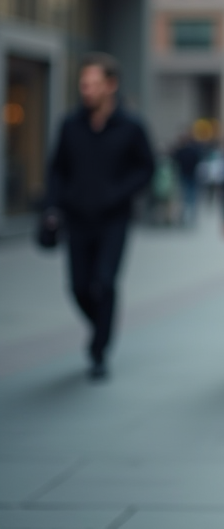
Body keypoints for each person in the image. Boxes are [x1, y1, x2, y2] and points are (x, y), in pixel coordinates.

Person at [45, 53, 155, 380]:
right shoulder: (70, 124)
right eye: (83, 84)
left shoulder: (131, 126)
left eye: (93, 84)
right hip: (77, 218)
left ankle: (99, 350)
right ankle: (101, 326)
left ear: (111, 85)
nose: (87, 90)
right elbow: (57, 169)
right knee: (78, 287)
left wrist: (118, 193)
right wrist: (54, 205)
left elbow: (146, 169)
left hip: (113, 219)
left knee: (104, 283)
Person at [171, 130, 204, 224]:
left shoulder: (183, 150)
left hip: (188, 174)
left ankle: (188, 215)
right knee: (189, 195)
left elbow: (175, 160)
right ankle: (189, 215)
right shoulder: (191, 149)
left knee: (188, 195)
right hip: (188, 174)